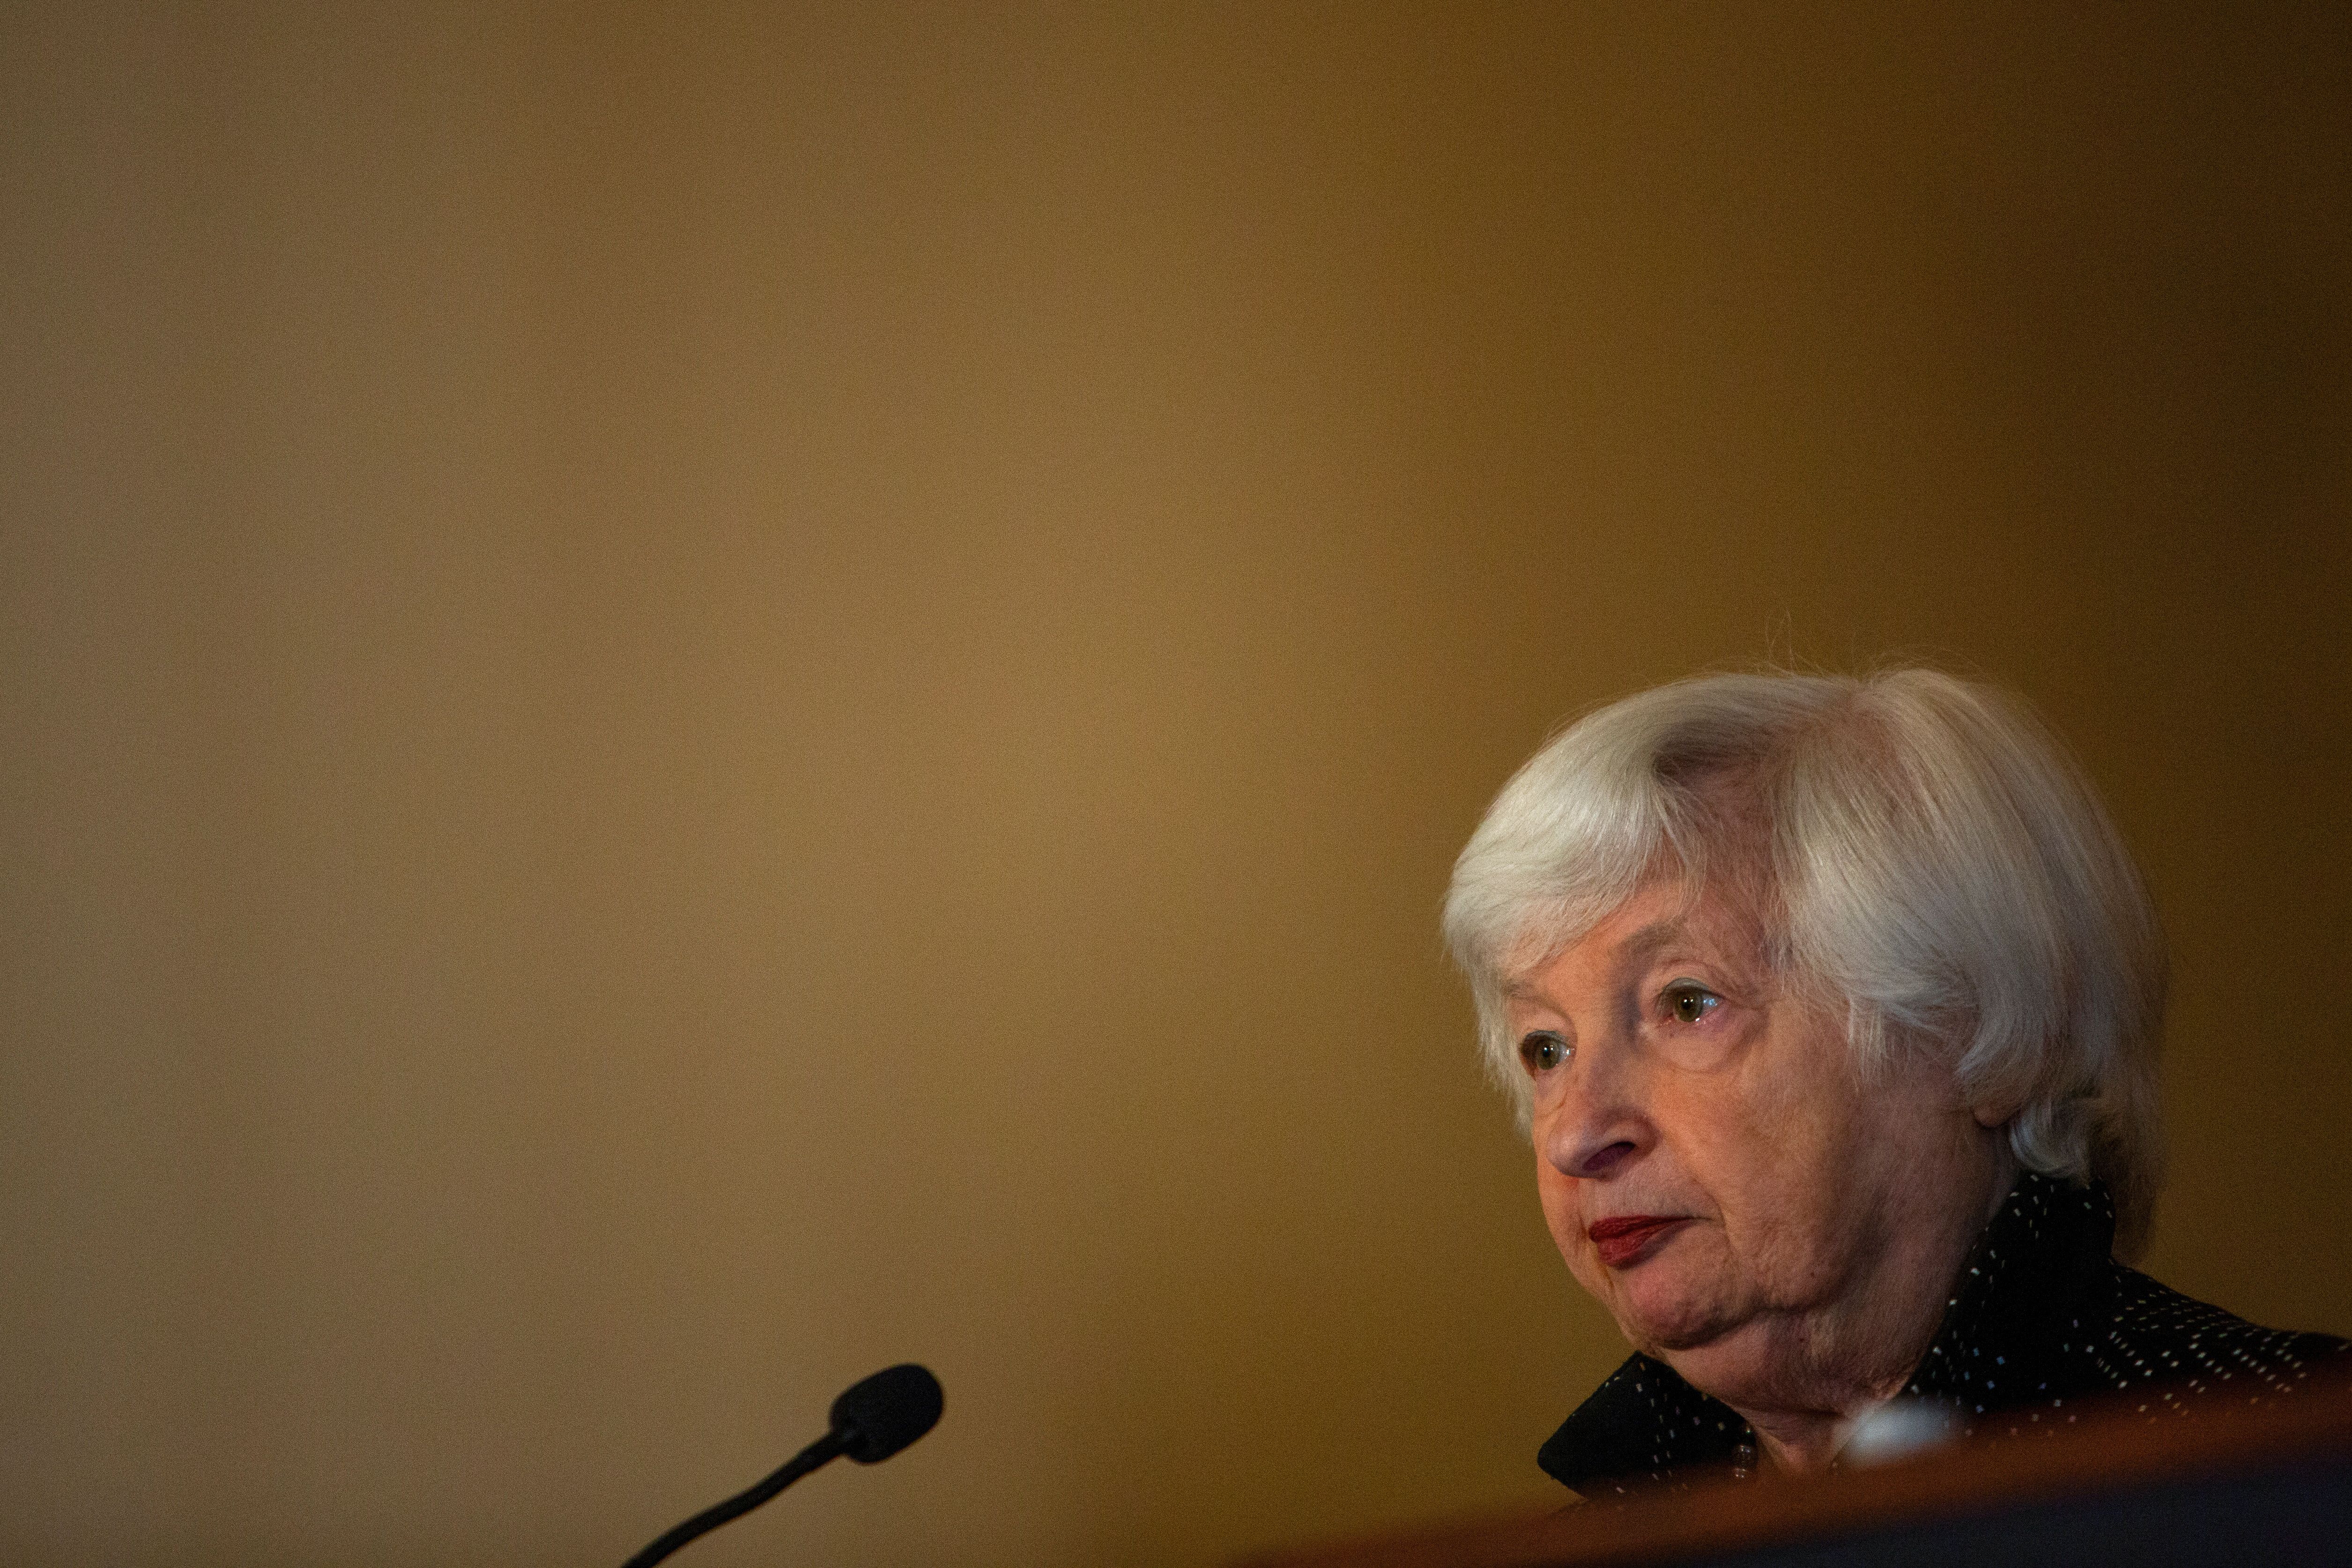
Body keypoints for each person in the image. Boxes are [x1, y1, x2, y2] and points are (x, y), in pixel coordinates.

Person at [1441, 669, 2347, 1495]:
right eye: (1545, 1049)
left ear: (1979, 1030)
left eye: (1686, 1001)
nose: (1572, 1135)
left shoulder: (2284, 1468)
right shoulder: (1597, 1532)